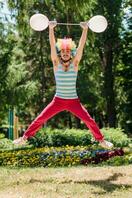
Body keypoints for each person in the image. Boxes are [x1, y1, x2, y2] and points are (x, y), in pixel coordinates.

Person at [13, 21, 113, 149]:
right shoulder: (56, 64)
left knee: (89, 120)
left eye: (68, 52)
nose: (65, 53)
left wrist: (85, 30)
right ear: (60, 53)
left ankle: (101, 141)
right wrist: (50, 29)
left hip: (73, 101)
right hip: (58, 100)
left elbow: (81, 46)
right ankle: (24, 138)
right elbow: (51, 45)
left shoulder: (75, 64)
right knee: (40, 118)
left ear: (71, 53)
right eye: (63, 52)